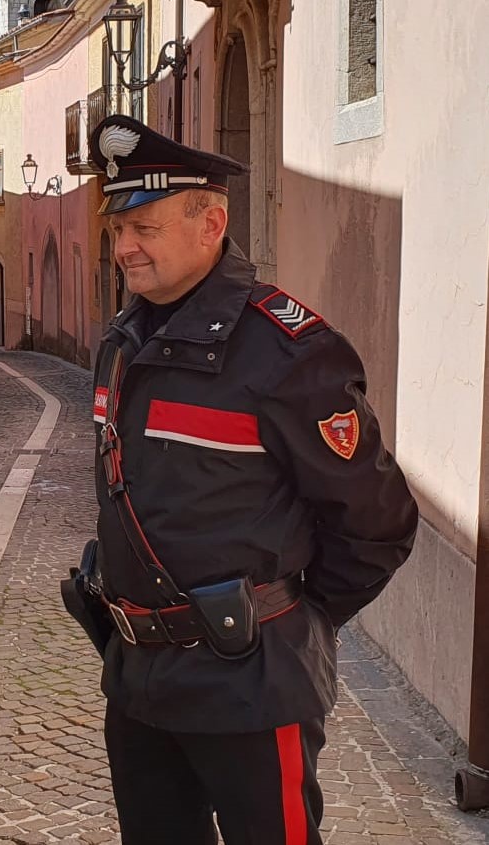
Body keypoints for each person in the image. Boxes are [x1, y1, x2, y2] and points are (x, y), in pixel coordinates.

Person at [81, 115, 418, 844]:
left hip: (251, 689)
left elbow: (379, 520)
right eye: (118, 228)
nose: (125, 247)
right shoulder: (122, 340)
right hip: (140, 685)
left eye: (144, 226)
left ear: (211, 223)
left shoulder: (287, 355)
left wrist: (286, 619)